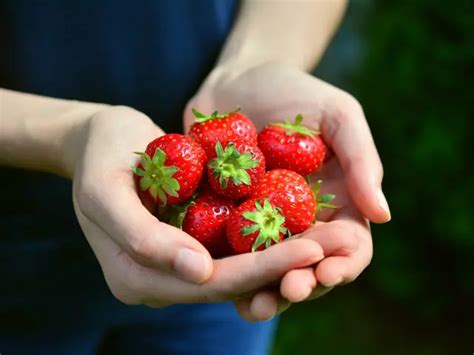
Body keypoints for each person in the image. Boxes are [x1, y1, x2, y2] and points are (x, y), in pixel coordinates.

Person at [0, 1, 390, 354]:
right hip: (15, 265)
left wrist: (257, 61)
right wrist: (68, 134)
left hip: (210, 258)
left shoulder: (234, 212)